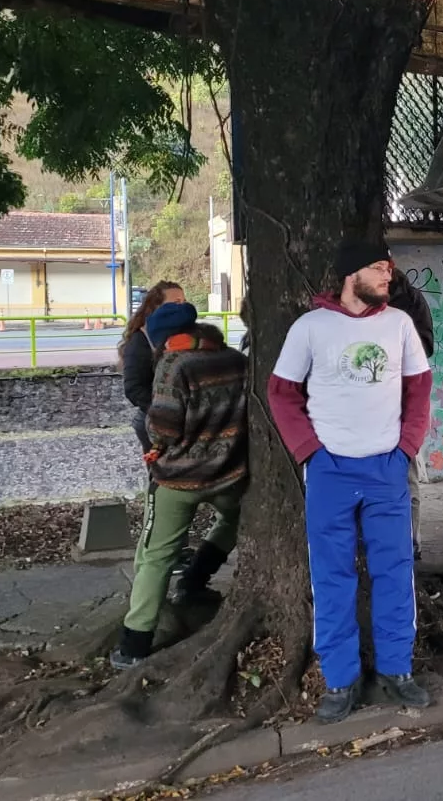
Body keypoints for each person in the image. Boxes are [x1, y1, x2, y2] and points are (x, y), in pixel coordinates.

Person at [268, 239, 433, 723]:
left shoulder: (400, 325)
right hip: (330, 471)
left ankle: (397, 670)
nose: (388, 276)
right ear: (350, 274)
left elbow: (419, 389)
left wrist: (406, 447)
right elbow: (281, 393)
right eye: (378, 268)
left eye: (388, 268)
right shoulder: (310, 328)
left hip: (385, 467)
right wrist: (309, 452)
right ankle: (340, 680)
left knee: (395, 570)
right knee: (331, 576)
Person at [111, 301, 249, 670]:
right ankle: (195, 579)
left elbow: (163, 429)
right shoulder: (235, 359)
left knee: (156, 556)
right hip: (228, 475)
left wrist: (155, 439)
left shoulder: (174, 365)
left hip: (177, 480)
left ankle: (135, 643)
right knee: (235, 522)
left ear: (165, 340)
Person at [387, 268, 434, 560]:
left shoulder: (410, 301)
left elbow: (426, 344)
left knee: (406, 474)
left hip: (401, 397)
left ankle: (410, 539)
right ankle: (406, 539)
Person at [118, 281, 185, 453]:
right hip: (155, 420)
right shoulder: (140, 341)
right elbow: (133, 388)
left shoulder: (184, 335)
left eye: (184, 302)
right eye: (176, 303)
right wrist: (163, 412)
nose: (182, 307)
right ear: (156, 307)